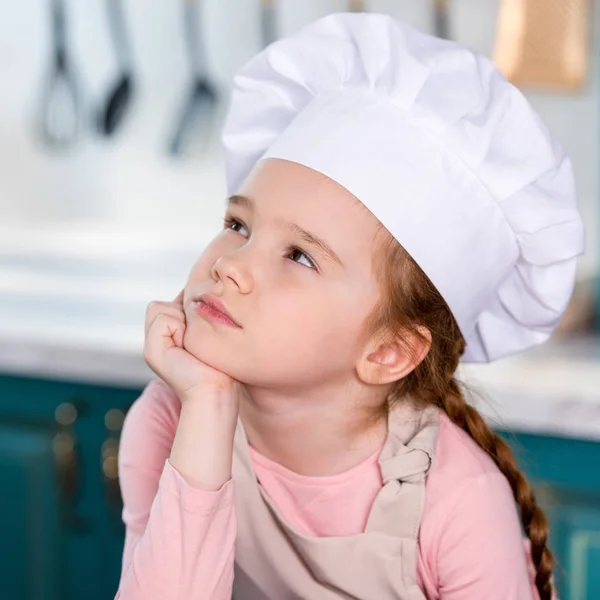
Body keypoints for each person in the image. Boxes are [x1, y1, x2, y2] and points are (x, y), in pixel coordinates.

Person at [114, 12, 584, 600]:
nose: (229, 264)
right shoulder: (170, 419)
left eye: (300, 256)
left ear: (388, 351)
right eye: (238, 224)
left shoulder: (458, 502)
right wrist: (207, 408)